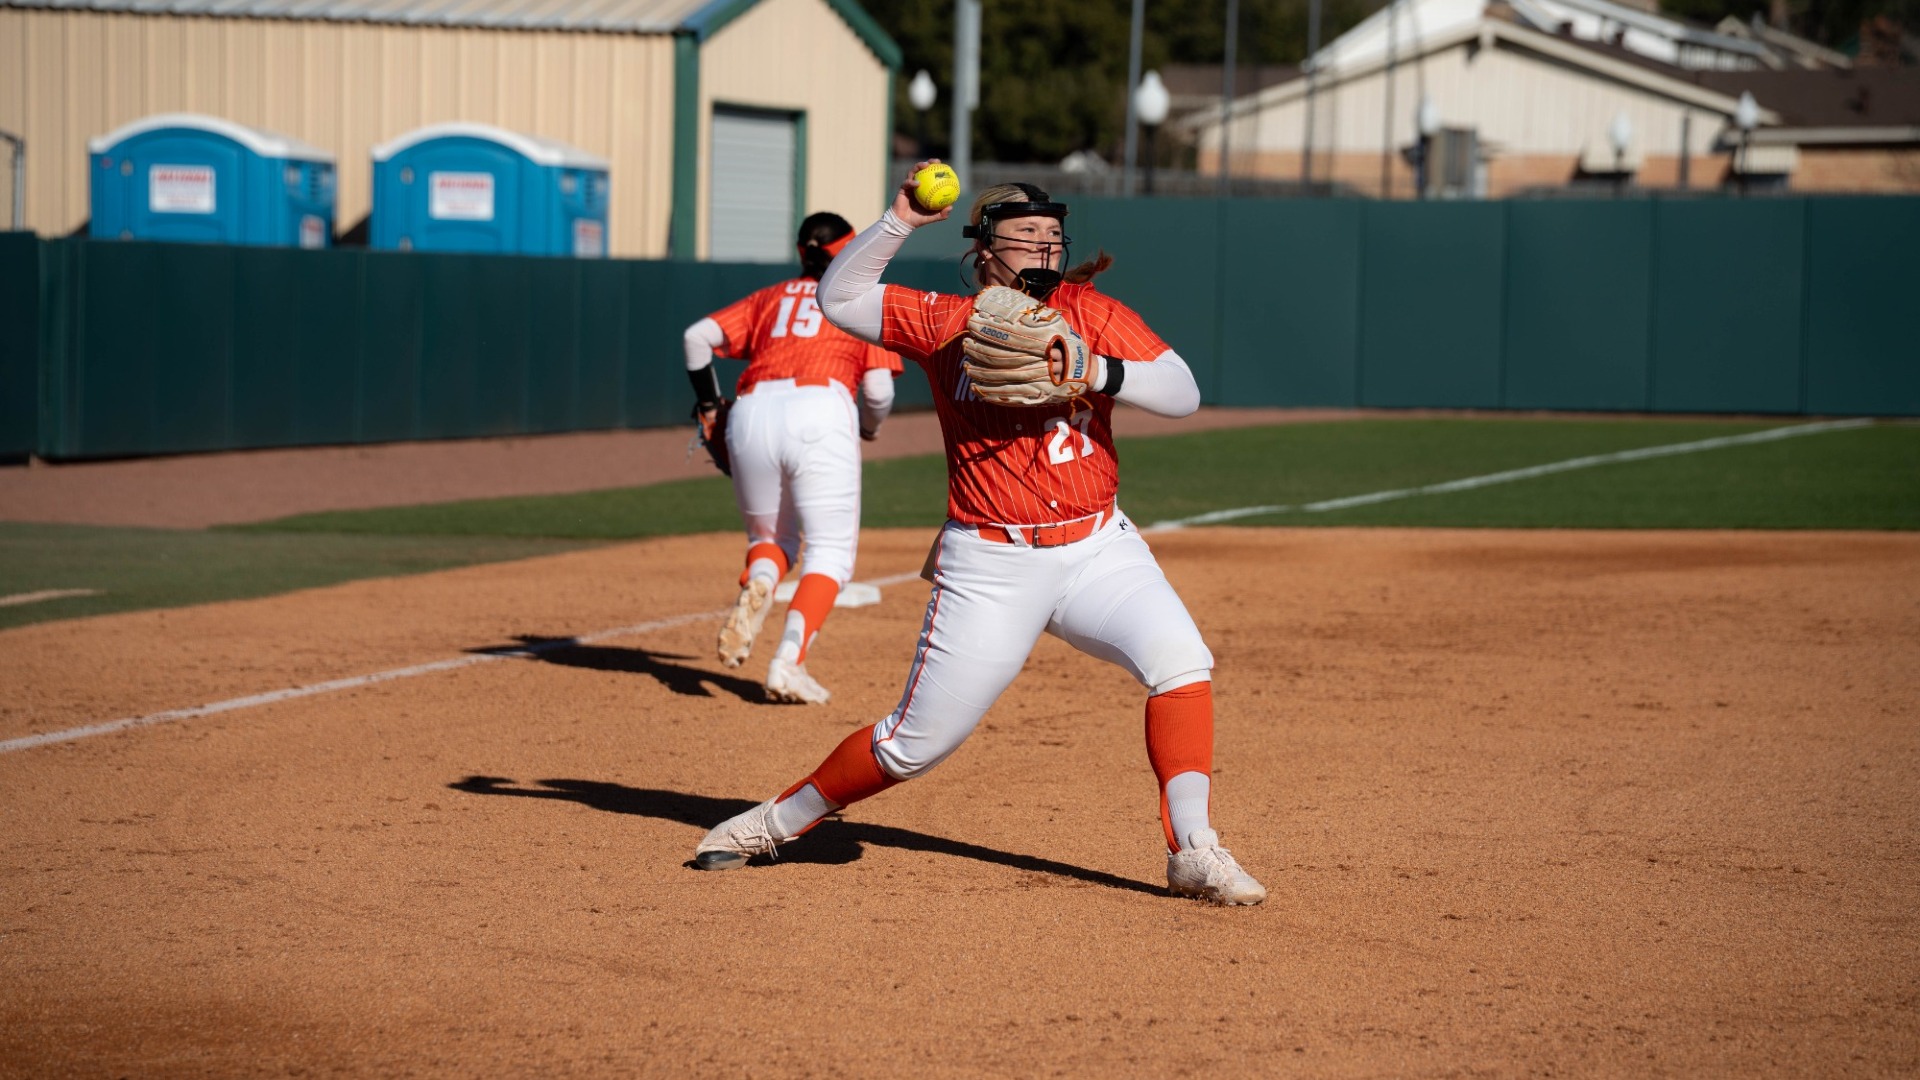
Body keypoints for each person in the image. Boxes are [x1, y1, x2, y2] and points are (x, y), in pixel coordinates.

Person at [690, 166, 1266, 905]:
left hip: (1098, 546)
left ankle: (1194, 849)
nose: (1044, 245)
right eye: (1024, 234)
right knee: (910, 746)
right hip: (993, 560)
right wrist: (898, 219)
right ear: (984, 249)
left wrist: (1098, 369)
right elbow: (839, 298)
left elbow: (1182, 391)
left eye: (1053, 234)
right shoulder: (943, 321)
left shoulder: (1092, 314)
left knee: (1183, 663)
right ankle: (775, 821)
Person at [684, 211, 903, 705]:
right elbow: (878, 389)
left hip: (753, 409)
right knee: (829, 552)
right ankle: (789, 661)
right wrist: (869, 427)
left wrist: (705, 404)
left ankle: (761, 580)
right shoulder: (856, 299)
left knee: (771, 538)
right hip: (820, 409)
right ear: (847, 250)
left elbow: (695, 338)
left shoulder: (769, 297)